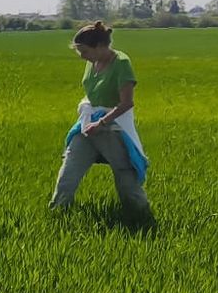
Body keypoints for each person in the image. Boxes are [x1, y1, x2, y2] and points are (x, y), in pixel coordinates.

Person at [50, 20, 150, 215]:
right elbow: (93, 94)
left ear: (100, 46)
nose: (82, 56)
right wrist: (90, 117)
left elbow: (127, 103)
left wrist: (102, 122)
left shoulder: (121, 63)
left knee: (125, 177)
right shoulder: (92, 62)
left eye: (84, 51)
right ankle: (58, 213)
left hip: (112, 129)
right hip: (88, 126)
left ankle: (141, 215)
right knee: (69, 171)